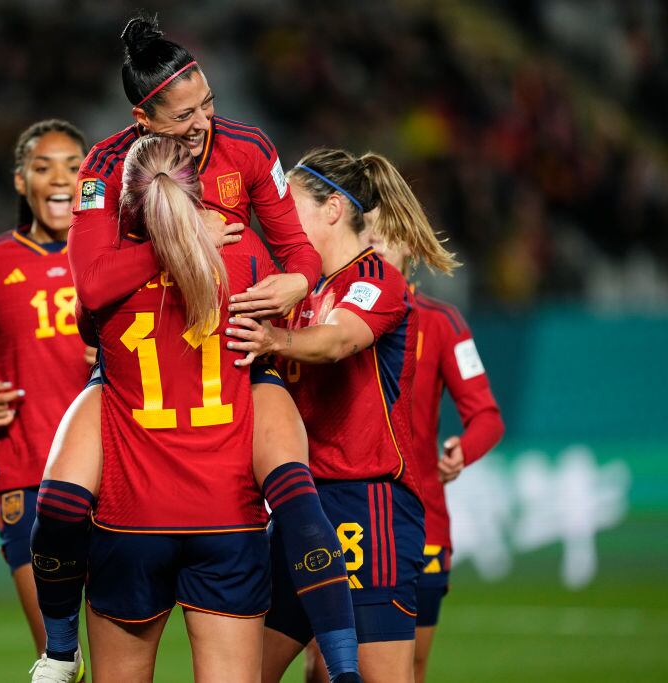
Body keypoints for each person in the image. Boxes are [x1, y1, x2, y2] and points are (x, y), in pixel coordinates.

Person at [29, 15, 359, 683]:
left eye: (208, 102)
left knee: (293, 493)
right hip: (154, 375)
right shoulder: (99, 170)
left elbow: (299, 256)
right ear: (142, 117)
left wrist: (290, 288)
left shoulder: (250, 147)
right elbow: (90, 289)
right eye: (184, 114)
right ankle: (59, 651)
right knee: (62, 499)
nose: (204, 121)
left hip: (239, 350)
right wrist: (185, 246)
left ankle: (61, 651)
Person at [224, 148, 457, 683]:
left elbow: (338, 341)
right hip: (300, 503)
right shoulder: (295, 286)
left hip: (366, 501)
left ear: (333, 209)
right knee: (245, 670)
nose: (279, 217)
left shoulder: (375, 277)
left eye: (292, 206)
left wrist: (275, 339)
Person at [85, 132, 277, 682]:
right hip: (228, 514)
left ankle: (55, 646)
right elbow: (281, 344)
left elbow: (87, 319)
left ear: (127, 203)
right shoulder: (243, 258)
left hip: (132, 516)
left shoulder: (109, 279)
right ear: (198, 193)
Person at [0, 119, 93, 678]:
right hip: (25, 471)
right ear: (19, 180)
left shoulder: (112, 256)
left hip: (109, 469)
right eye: (43, 165)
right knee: (61, 658)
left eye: (75, 166)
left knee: (120, 656)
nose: (61, 178)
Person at [358, 231, 504, 683]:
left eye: (382, 236)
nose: (371, 244)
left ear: (409, 246)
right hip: (346, 515)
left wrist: (464, 450)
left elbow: (486, 416)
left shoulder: (441, 322)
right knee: (328, 667)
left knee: (407, 667)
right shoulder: (331, 314)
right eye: (364, 233)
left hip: (419, 523)